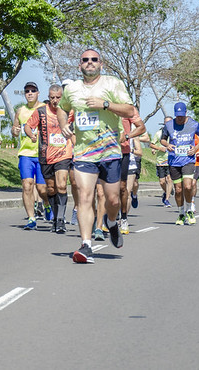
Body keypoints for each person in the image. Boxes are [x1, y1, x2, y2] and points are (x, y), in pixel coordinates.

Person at [57, 49, 135, 264]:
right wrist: (64, 125)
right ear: (79, 65)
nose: (89, 63)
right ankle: (86, 244)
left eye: (94, 60)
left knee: (112, 199)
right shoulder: (72, 89)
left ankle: (111, 222)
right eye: (85, 60)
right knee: (84, 196)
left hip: (109, 152)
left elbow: (129, 111)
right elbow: (62, 109)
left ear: (101, 63)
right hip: (84, 153)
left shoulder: (113, 84)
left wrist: (106, 105)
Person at [24, 84, 74, 234]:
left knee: (62, 185)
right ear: (48, 96)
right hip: (46, 155)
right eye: (52, 97)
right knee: (51, 189)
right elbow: (27, 126)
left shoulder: (69, 111)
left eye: (58, 97)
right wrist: (31, 134)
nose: (55, 100)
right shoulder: (40, 112)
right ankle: (54, 217)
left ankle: (60, 219)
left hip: (64, 154)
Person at [160, 102, 199, 226]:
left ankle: (189, 209)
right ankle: (181, 213)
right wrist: (167, 145)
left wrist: (196, 148)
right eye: (178, 116)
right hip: (174, 161)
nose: (180, 118)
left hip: (188, 160)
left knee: (187, 186)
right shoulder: (169, 125)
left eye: (182, 115)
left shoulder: (194, 124)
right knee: (178, 189)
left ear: (186, 113)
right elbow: (163, 139)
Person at [12, 82, 50, 229]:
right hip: (25, 153)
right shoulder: (20, 110)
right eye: (27, 91)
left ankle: (46, 204)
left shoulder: (44, 109)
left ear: (38, 93)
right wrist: (14, 131)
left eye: (33, 90)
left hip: (42, 153)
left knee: (41, 189)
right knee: (27, 185)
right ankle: (31, 218)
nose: (30, 93)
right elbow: (14, 129)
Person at [117, 109, 147, 234]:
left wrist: (127, 137)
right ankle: (105, 219)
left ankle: (123, 218)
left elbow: (142, 130)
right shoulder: (103, 105)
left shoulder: (128, 109)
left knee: (125, 190)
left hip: (129, 160)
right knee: (104, 191)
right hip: (107, 153)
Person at [150, 117, 174, 207]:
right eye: (166, 123)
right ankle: (166, 191)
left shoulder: (175, 133)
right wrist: (158, 148)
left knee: (169, 179)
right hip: (161, 160)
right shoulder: (159, 133)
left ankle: (167, 199)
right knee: (162, 181)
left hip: (171, 160)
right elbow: (152, 144)